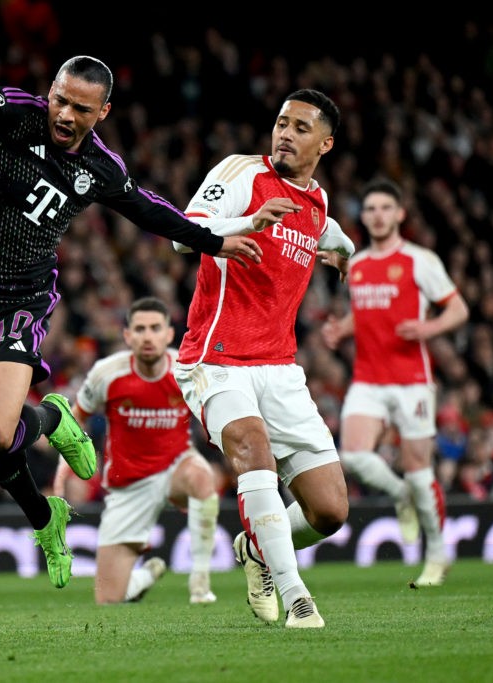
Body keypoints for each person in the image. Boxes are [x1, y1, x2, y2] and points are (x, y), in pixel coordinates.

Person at [0, 55, 262, 590]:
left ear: (103, 111)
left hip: (15, 300)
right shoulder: (19, 116)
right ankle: (45, 518)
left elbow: (147, 208)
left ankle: (51, 419)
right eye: (61, 99)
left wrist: (213, 241)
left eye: (81, 107)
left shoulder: (99, 168)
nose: (66, 114)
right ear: (49, 92)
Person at [172, 89, 355, 628]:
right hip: (217, 358)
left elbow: (336, 237)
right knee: (253, 449)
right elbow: (184, 238)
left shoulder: (316, 203)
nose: (285, 134)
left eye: (300, 128)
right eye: (281, 123)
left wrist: (343, 255)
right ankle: (298, 596)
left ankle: (257, 549)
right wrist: (248, 223)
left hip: (280, 368)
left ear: (325, 144)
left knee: (330, 511)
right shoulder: (240, 173)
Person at [321, 178, 469, 588]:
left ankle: (437, 555)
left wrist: (428, 326)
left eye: (386, 207)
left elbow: (458, 309)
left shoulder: (420, 260)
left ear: (400, 214)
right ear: (363, 216)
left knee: (419, 468)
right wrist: (342, 331)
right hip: (368, 377)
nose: (378, 215)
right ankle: (400, 495)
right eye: (370, 209)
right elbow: (369, 310)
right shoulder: (359, 264)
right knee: (352, 455)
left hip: (411, 380)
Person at [57, 296, 219, 605]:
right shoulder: (107, 373)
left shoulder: (187, 371)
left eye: (155, 328)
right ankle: (143, 577)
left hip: (175, 468)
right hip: (127, 485)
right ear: (128, 336)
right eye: (140, 329)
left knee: (201, 476)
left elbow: (215, 417)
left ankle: (200, 582)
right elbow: (75, 420)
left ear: (169, 335)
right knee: (108, 600)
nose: (148, 336)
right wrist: (69, 469)